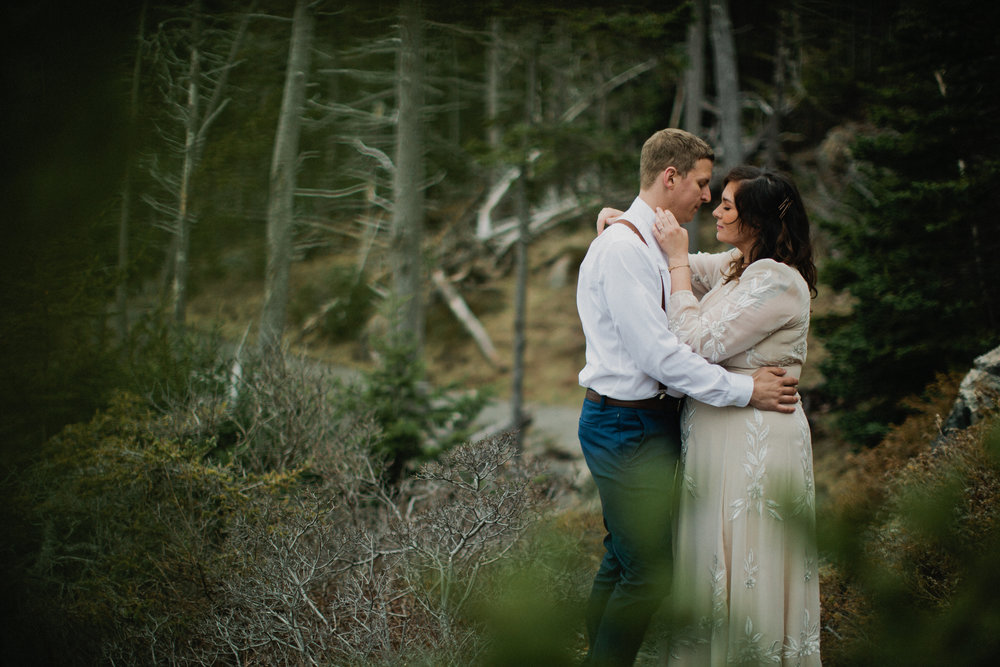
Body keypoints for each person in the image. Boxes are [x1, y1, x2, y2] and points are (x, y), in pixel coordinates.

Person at [576, 129, 800, 667]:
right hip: (626, 425)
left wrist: (614, 222)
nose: (707, 198)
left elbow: (699, 270)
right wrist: (745, 389)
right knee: (650, 573)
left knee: (624, 557)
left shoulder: (649, 240)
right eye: (702, 185)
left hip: (650, 424)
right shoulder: (627, 249)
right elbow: (663, 356)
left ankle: (593, 648)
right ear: (669, 177)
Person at [620, 165, 822, 665]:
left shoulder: (776, 281)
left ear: (754, 220)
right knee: (714, 564)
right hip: (719, 443)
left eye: (728, 205)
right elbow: (689, 257)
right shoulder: (742, 265)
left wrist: (679, 269)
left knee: (749, 560)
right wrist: (632, 222)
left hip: (756, 446)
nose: (716, 209)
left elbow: (696, 342)